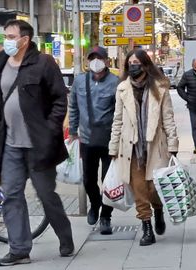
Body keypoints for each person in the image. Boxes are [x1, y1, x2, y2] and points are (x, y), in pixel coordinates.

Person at [0, 19, 74, 266]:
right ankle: (19, 250)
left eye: (11, 36)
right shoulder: (0, 62)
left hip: (38, 144)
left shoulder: (43, 63)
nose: (6, 40)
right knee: (11, 195)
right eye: (5, 35)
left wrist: (49, 130)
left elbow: (60, 100)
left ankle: (64, 235)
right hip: (10, 144)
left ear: (25, 40)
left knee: (46, 195)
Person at [108, 49, 179, 246]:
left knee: (153, 188)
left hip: (155, 145)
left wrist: (173, 145)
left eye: (137, 62)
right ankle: (147, 227)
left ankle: (158, 209)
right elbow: (118, 120)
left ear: (145, 65)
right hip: (131, 147)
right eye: (130, 62)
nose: (133, 65)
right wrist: (113, 147)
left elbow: (168, 118)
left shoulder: (160, 87)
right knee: (139, 188)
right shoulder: (122, 88)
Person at [68, 46, 120, 234]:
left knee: (109, 180)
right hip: (87, 139)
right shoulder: (80, 81)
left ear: (107, 61)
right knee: (88, 179)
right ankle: (95, 203)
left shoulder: (115, 82)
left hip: (109, 140)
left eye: (99, 58)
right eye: (92, 58)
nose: (95, 61)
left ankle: (106, 216)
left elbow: (120, 112)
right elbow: (73, 106)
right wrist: (73, 130)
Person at [176, 58, 196, 154]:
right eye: (195, 67)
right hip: (193, 105)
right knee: (195, 126)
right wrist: (187, 98)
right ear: (192, 66)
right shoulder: (187, 75)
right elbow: (180, 87)